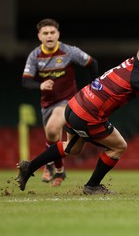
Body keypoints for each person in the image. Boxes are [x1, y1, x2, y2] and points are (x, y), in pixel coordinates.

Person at [16, 43, 139, 194]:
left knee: (72, 148)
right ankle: (92, 186)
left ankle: (29, 166)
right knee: (118, 146)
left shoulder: (130, 63)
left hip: (74, 106)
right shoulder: (136, 75)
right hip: (88, 116)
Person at [22, 18, 98, 187]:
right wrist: (40, 84)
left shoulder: (68, 51)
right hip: (47, 104)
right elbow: (25, 81)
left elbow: (92, 63)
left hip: (69, 101)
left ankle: (49, 166)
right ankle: (58, 169)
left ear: (58, 34)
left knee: (53, 128)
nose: (49, 36)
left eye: (52, 32)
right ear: (39, 36)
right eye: (45, 33)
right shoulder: (35, 55)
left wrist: (93, 87)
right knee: (52, 137)